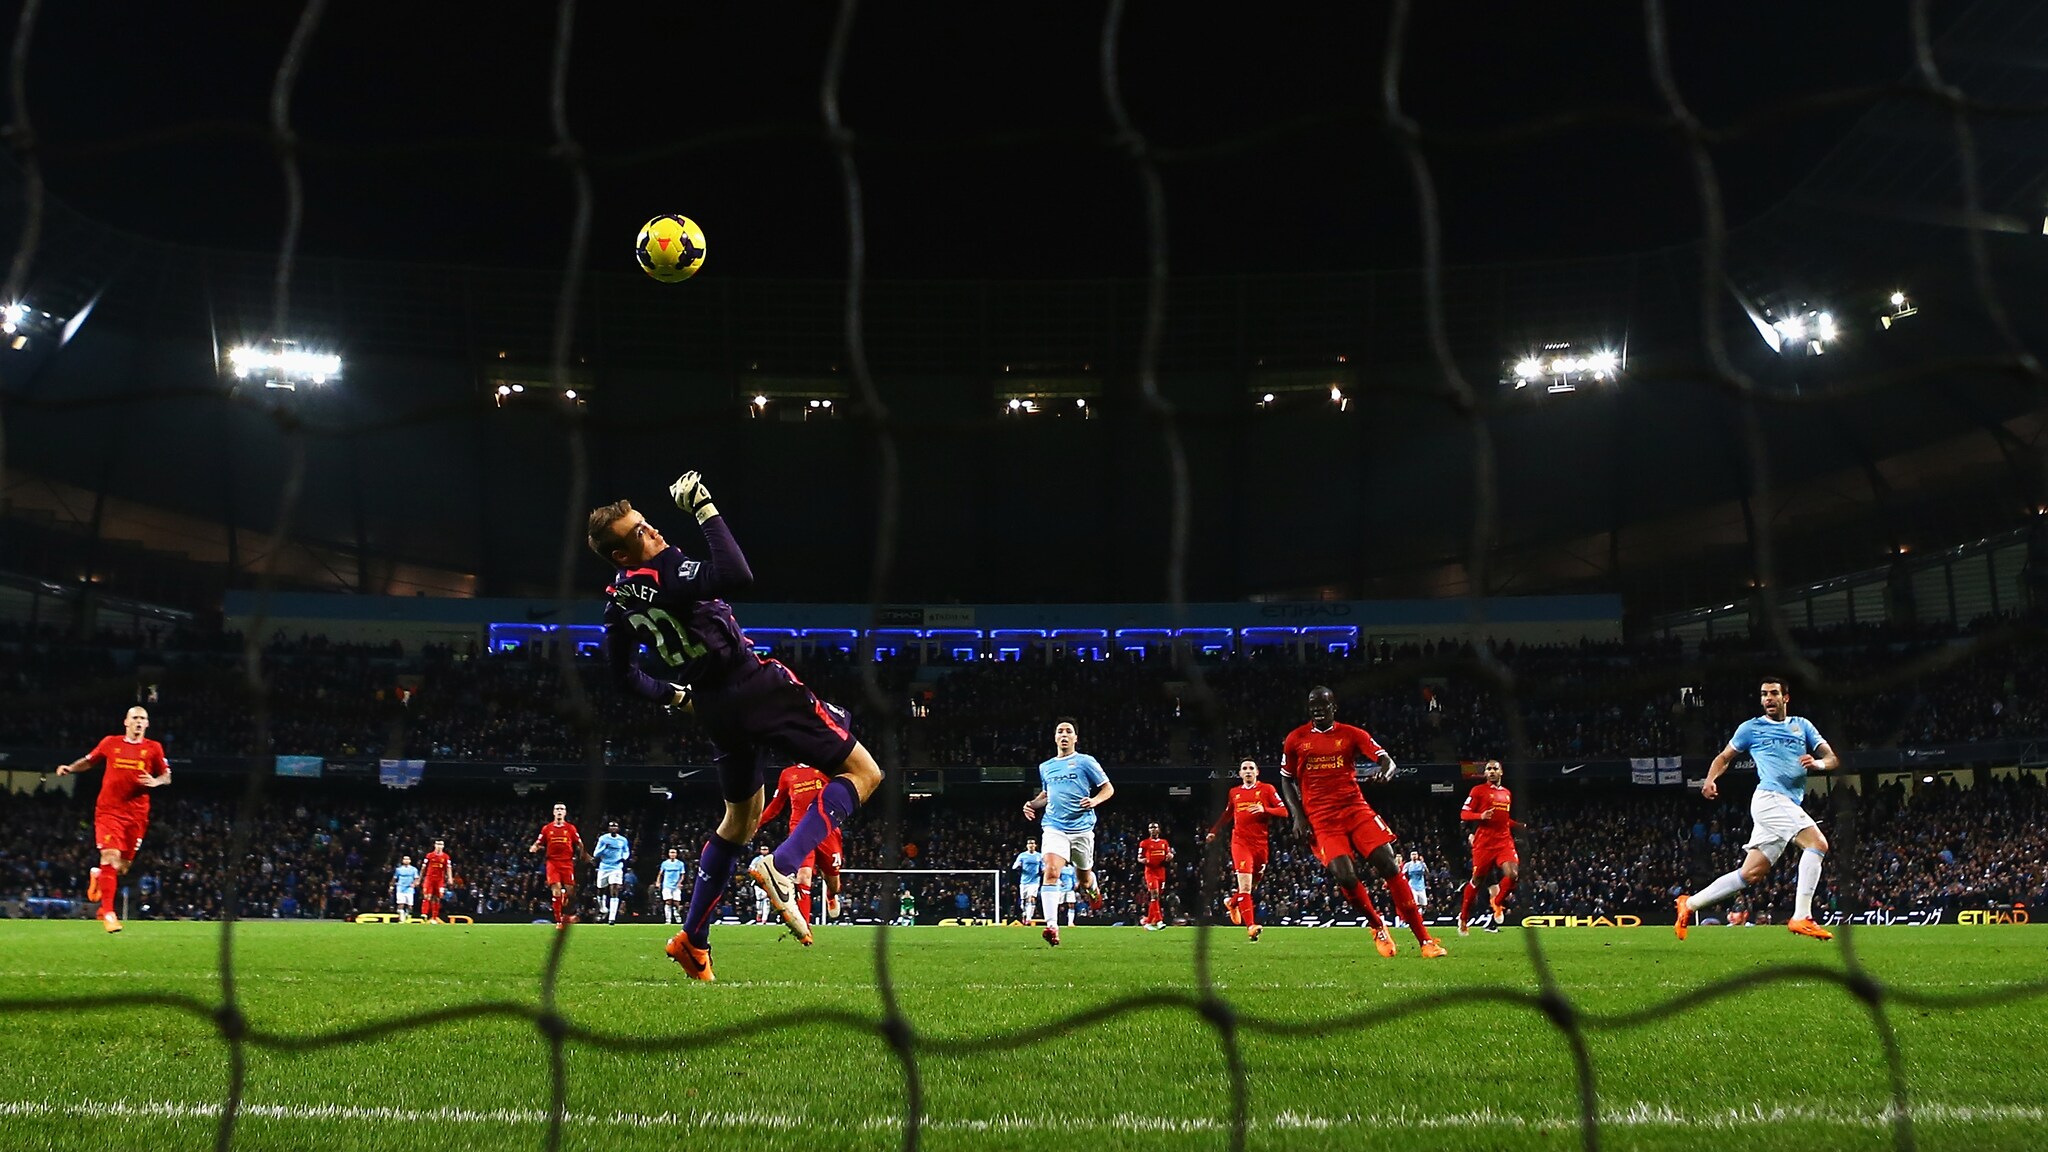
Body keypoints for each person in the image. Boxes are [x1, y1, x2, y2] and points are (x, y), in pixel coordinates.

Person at [587, 474, 884, 981]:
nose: (652, 530)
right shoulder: (666, 571)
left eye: (645, 522)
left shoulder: (616, 603)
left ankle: (693, 941)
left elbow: (621, 677)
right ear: (622, 554)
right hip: (753, 685)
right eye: (638, 531)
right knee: (865, 773)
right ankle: (783, 864)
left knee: (738, 823)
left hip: (712, 707)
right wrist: (704, 507)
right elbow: (738, 573)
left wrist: (673, 695)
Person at [1281, 686, 1445, 959]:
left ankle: (1425, 940)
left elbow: (1386, 760)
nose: (1318, 709)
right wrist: (1297, 815)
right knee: (1345, 875)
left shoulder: (1351, 734)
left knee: (1388, 863)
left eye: (1323, 705)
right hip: (1321, 818)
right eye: (1313, 705)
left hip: (1354, 809)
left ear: (1334, 707)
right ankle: (1377, 926)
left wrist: (1386, 770)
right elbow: (1286, 778)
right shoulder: (1296, 739)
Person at [1678, 677, 1838, 942]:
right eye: (1764, 694)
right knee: (1817, 844)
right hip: (1770, 799)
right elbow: (1724, 758)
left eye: (1774, 693)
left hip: (1787, 802)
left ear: (1785, 697)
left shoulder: (1802, 726)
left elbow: (1832, 758)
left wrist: (1818, 764)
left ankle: (1690, 904)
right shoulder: (1751, 729)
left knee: (1750, 873)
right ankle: (1801, 916)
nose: (1768, 699)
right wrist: (1710, 779)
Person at [54, 706, 172, 933]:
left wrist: (157, 781)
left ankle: (98, 875)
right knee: (109, 855)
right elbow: (89, 760)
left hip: (137, 815)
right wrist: (70, 768)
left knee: (122, 867)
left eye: (143, 719)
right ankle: (107, 912)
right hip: (109, 811)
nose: (139, 722)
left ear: (147, 724)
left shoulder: (153, 748)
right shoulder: (111, 743)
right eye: (135, 718)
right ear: (125, 722)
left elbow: (167, 775)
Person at [1022, 718, 1113, 947]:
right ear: (1055, 738)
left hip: (1082, 829)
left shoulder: (1085, 762)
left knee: (1083, 878)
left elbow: (1108, 788)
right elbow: (1046, 794)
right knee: (1051, 871)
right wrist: (1031, 804)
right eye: (1060, 731)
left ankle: (1093, 889)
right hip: (1054, 827)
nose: (1064, 734)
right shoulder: (1046, 766)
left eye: (1068, 731)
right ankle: (1052, 926)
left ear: (1075, 738)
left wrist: (1094, 800)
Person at [1205, 757, 1289, 942]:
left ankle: (1232, 902)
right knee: (1245, 887)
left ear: (1257, 772)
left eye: (1251, 768)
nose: (1248, 771)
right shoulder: (1234, 792)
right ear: (1240, 773)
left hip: (1260, 845)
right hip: (1240, 843)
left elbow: (1284, 812)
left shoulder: (1267, 789)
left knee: (1251, 888)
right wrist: (1214, 831)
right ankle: (1251, 926)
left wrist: (1264, 809)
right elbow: (1228, 813)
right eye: (1245, 768)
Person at [760, 762, 845, 925]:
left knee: (834, 883)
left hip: (826, 829)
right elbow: (776, 805)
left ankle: (831, 896)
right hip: (800, 831)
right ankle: (803, 926)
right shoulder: (787, 774)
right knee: (803, 877)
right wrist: (757, 823)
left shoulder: (826, 767)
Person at [1459, 760, 1520, 935]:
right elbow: (1464, 813)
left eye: (1495, 769)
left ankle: (1497, 902)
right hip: (1484, 843)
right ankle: (1463, 917)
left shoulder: (1507, 794)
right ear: (1485, 773)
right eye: (1489, 769)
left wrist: (1518, 825)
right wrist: (1481, 815)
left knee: (1513, 874)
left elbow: (1503, 819)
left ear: (1501, 772)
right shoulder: (1477, 791)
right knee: (1477, 881)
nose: (1492, 771)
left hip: (1503, 841)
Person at [527, 803, 587, 929]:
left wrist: (583, 854)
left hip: (567, 863)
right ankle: (559, 920)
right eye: (557, 809)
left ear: (565, 813)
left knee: (570, 891)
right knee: (556, 889)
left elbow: (579, 843)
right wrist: (534, 847)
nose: (559, 811)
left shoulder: (570, 828)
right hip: (552, 862)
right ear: (554, 812)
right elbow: (539, 842)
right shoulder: (547, 828)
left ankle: (565, 901)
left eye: (562, 809)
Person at [1137, 822, 1174, 930]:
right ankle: (1159, 921)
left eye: (1155, 827)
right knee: (1155, 895)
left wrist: (1170, 856)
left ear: (1159, 829)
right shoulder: (1144, 843)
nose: (1153, 829)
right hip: (1150, 872)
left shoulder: (1164, 842)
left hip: (1161, 871)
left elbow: (1169, 854)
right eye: (1151, 828)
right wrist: (1144, 860)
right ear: (1149, 830)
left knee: (1156, 898)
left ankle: (1148, 922)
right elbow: (1139, 857)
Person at [593, 820, 631, 924]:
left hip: (616, 867)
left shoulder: (622, 840)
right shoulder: (603, 839)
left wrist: (624, 857)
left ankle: (612, 918)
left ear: (618, 828)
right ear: (608, 828)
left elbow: (626, 851)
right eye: (611, 826)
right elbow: (596, 853)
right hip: (604, 867)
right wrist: (605, 847)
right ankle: (603, 908)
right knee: (600, 890)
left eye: (615, 826)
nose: (613, 828)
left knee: (614, 890)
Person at [1012, 838, 1045, 925]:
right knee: (1023, 901)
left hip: (1035, 881)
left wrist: (1043, 870)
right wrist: (1018, 866)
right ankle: (1024, 913)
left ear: (1035, 845)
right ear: (1027, 846)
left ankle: (1029, 919)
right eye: (1029, 844)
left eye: (1033, 843)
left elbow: (1043, 867)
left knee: (1031, 898)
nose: (1031, 845)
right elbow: (1014, 866)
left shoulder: (1039, 856)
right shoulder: (1022, 856)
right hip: (1024, 881)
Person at [421, 839, 453, 923]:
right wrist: (420, 878)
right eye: (437, 844)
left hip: (439, 880)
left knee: (437, 898)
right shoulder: (429, 855)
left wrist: (450, 878)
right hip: (429, 878)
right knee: (428, 896)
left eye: (441, 844)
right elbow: (423, 867)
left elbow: (448, 868)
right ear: (434, 845)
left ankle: (434, 917)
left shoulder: (446, 857)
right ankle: (424, 914)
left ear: (443, 846)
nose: (439, 846)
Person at [657, 848, 688, 925]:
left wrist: (679, 883)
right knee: (668, 901)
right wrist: (658, 882)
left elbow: (682, 875)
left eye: (674, 852)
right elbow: (660, 874)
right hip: (667, 885)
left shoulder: (680, 864)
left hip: (676, 886)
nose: (672, 854)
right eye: (671, 852)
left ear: (676, 854)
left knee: (676, 902)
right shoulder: (665, 863)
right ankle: (668, 920)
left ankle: (676, 914)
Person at [1402, 852, 1431, 930]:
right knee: (1415, 904)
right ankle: (1414, 922)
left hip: (1421, 887)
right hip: (1412, 886)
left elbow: (1427, 873)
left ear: (1418, 856)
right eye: (1412, 854)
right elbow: (1402, 874)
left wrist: (1423, 864)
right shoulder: (1408, 865)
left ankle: (1419, 920)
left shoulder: (1421, 864)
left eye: (1415, 854)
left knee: (1423, 905)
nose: (1414, 856)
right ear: (1410, 856)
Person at [392, 855, 420, 924]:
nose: (406, 860)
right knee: (400, 904)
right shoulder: (399, 869)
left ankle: (407, 915)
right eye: (404, 859)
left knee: (410, 905)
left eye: (407, 859)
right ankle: (401, 919)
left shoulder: (414, 869)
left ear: (410, 861)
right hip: (400, 888)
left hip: (409, 889)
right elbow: (394, 878)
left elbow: (416, 878)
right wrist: (391, 886)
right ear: (402, 861)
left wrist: (414, 884)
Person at [753, 845, 775, 924]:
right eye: (763, 849)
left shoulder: (771, 859)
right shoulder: (756, 859)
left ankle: (764, 919)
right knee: (759, 899)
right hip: (758, 882)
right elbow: (751, 869)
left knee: (766, 900)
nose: (764, 851)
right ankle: (759, 913)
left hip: (767, 882)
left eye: (766, 849)